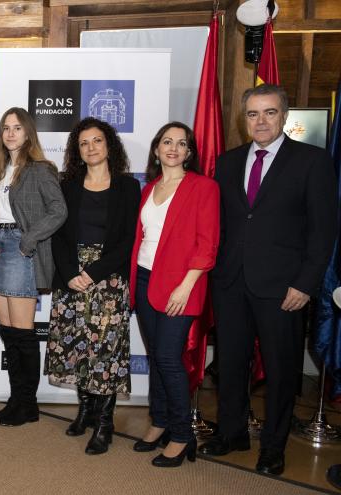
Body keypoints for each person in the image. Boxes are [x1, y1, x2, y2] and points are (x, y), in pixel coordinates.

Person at [200, 84, 338, 475]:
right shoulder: (227, 163)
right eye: (253, 114)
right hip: (230, 282)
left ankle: (273, 447)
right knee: (230, 363)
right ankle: (231, 433)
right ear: (244, 120)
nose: (260, 121)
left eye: (269, 113)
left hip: (284, 288)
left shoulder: (312, 161)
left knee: (280, 370)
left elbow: (323, 231)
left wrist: (306, 284)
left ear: (284, 115)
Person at [46, 117, 140, 454]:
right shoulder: (67, 184)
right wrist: (72, 272)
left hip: (109, 278)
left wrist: (94, 272)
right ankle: (84, 410)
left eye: (97, 141)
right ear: (77, 150)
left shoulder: (128, 187)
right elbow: (58, 233)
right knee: (77, 347)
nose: (91, 148)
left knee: (105, 351)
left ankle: (105, 423)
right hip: (71, 276)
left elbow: (129, 239)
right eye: (84, 143)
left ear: (109, 144)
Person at [130, 122, 219, 468]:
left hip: (181, 285)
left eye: (181, 144)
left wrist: (186, 285)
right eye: (167, 142)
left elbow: (208, 244)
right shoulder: (148, 188)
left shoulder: (202, 187)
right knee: (156, 357)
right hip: (144, 280)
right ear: (156, 149)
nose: (173, 148)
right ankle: (160, 420)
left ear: (189, 152)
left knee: (168, 358)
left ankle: (182, 435)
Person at [0, 107, 67, 427]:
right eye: (5, 128)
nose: (10, 133)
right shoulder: (0, 169)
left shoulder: (40, 169)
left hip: (21, 249)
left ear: (28, 132)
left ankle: (27, 404)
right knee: (8, 332)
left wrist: (28, 240)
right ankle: (17, 399)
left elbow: (58, 210)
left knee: (23, 334)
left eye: (17, 128)